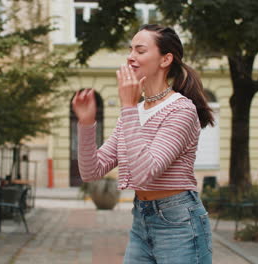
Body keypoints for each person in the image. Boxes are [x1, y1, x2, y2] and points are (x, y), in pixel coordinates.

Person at [72, 24, 214, 263]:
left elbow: (145, 172)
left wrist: (128, 106)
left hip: (179, 222)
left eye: (140, 50)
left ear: (165, 59)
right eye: (130, 50)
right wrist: (86, 124)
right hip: (142, 220)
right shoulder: (134, 111)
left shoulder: (181, 110)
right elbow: (90, 171)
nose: (130, 57)